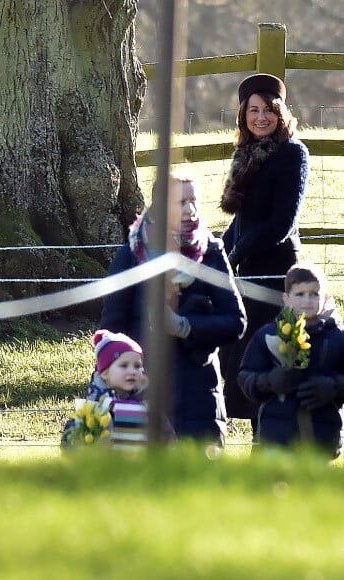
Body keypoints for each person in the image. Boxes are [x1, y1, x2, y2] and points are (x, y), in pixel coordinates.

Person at [99, 174, 246, 446]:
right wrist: (108, 383)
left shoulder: (210, 252)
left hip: (198, 390)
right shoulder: (133, 254)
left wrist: (185, 326)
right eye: (182, 202)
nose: (191, 210)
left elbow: (235, 321)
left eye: (194, 201)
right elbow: (111, 329)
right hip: (144, 390)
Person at [218, 73, 310, 432]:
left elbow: (281, 223)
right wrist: (216, 252)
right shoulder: (247, 154)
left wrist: (238, 252)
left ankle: (268, 441)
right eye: (252, 110)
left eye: (268, 110)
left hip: (274, 272)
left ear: (281, 113)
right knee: (236, 358)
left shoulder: (292, 153)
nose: (260, 117)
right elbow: (241, 221)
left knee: (267, 357)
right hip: (246, 272)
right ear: (243, 115)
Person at [237, 264, 344, 457]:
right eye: (300, 294)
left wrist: (334, 387)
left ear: (326, 298)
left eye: (314, 294)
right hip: (277, 437)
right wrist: (269, 381)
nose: (307, 300)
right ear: (286, 299)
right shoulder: (267, 335)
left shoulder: (337, 338)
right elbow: (245, 376)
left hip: (322, 437)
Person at [61, 329, 176, 447]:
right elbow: (71, 445)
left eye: (137, 366)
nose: (132, 371)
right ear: (105, 373)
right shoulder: (93, 409)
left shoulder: (148, 408)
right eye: (124, 365)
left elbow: (169, 443)